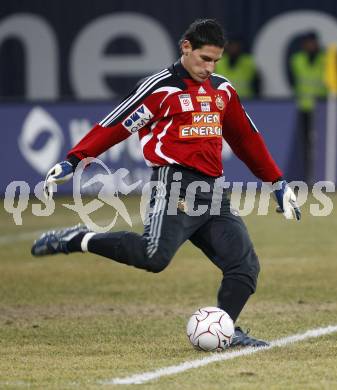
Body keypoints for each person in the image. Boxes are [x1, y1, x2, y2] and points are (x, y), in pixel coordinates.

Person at [31, 19, 301, 348]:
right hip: (175, 186)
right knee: (153, 257)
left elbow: (246, 138)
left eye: (216, 61)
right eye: (204, 58)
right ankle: (76, 238)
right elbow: (116, 124)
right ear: (185, 47)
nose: (210, 67)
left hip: (213, 191)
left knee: (245, 268)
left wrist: (276, 180)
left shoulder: (222, 90)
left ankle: (226, 328)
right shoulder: (160, 88)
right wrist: (74, 159)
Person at [289, 32, 326, 185]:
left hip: (323, 109)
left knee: (322, 145)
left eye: (312, 42)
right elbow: (293, 81)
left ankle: (322, 176)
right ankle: (308, 177)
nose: (309, 45)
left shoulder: (326, 59)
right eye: (307, 42)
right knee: (306, 146)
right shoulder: (297, 59)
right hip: (303, 107)